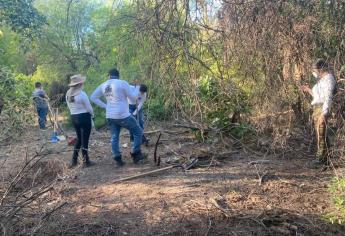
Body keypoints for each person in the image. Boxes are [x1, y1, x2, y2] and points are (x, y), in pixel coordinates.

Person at [90, 68, 144, 167]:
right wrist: (137, 87)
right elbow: (132, 98)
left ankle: (117, 158)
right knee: (138, 131)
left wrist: (106, 106)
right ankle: (136, 154)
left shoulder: (103, 85)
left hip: (110, 115)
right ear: (118, 75)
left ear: (109, 76)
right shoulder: (122, 83)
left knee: (114, 137)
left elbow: (93, 97)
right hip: (122, 115)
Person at [300, 59, 336, 164]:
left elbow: (328, 97)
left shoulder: (329, 78)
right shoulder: (321, 80)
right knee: (320, 134)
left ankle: (320, 160)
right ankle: (326, 159)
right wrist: (308, 90)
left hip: (322, 109)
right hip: (316, 108)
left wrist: (324, 113)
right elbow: (318, 97)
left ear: (320, 69)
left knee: (321, 134)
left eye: (314, 69)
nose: (314, 72)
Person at [66, 74, 95, 168]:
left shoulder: (68, 94)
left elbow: (69, 107)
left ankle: (74, 160)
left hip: (74, 117)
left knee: (79, 139)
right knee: (85, 139)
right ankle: (86, 161)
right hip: (84, 117)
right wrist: (92, 115)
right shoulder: (82, 94)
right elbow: (89, 108)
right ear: (79, 84)